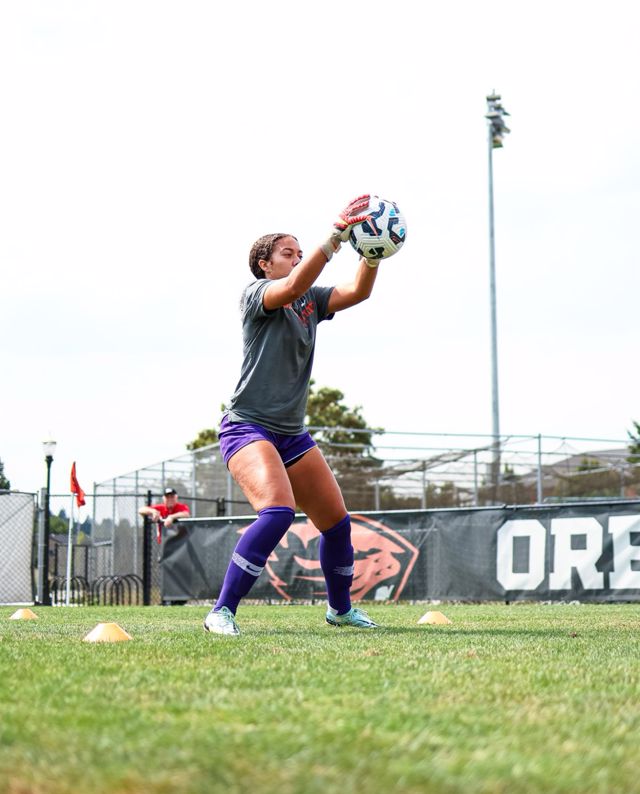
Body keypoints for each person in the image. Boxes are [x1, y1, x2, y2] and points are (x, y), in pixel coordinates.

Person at [203, 195, 382, 636]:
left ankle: (340, 611)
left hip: (291, 434)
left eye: (300, 254)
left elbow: (358, 292)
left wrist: (373, 253)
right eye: (288, 253)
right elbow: (293, 286)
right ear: (264, 265)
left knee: (337, 524)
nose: (297, 259)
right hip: (247, 427)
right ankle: (221, 612)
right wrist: (335, 238)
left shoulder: (310, 302)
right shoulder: (257, 294)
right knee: (279, 512)